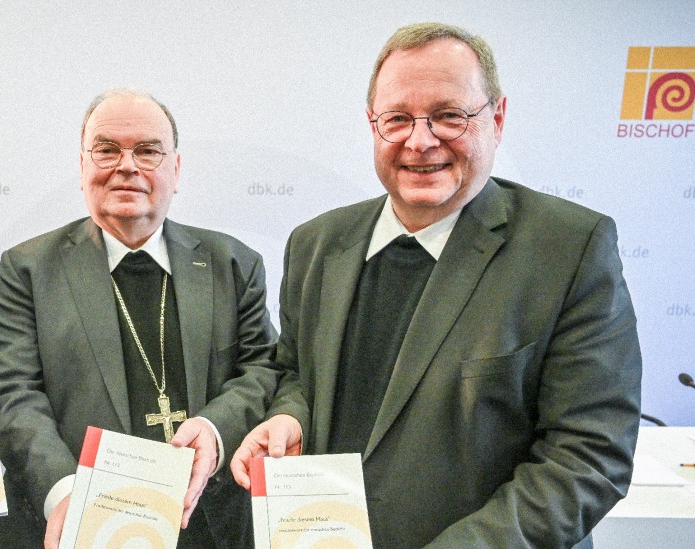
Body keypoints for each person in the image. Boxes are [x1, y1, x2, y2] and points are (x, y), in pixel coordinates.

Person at [230, 22, 642, 548]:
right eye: (397, 119)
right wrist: (290, 417)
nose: (420, 141)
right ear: (372, 124)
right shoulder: (316, 244)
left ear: (497, 117)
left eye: (450, 116)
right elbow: (294, 372)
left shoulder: (570, 249)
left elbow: (589, 456)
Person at [0, 88, 281, 548]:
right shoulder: (28, 269)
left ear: (176, 170)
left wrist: (213, 430)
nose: (127, 166)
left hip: (214, 523)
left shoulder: (233, 263)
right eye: (106, 150)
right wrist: (66, 492)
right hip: (85, 527)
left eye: (147, 151)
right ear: (82, 167)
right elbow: (13, 394)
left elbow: (263, 369)